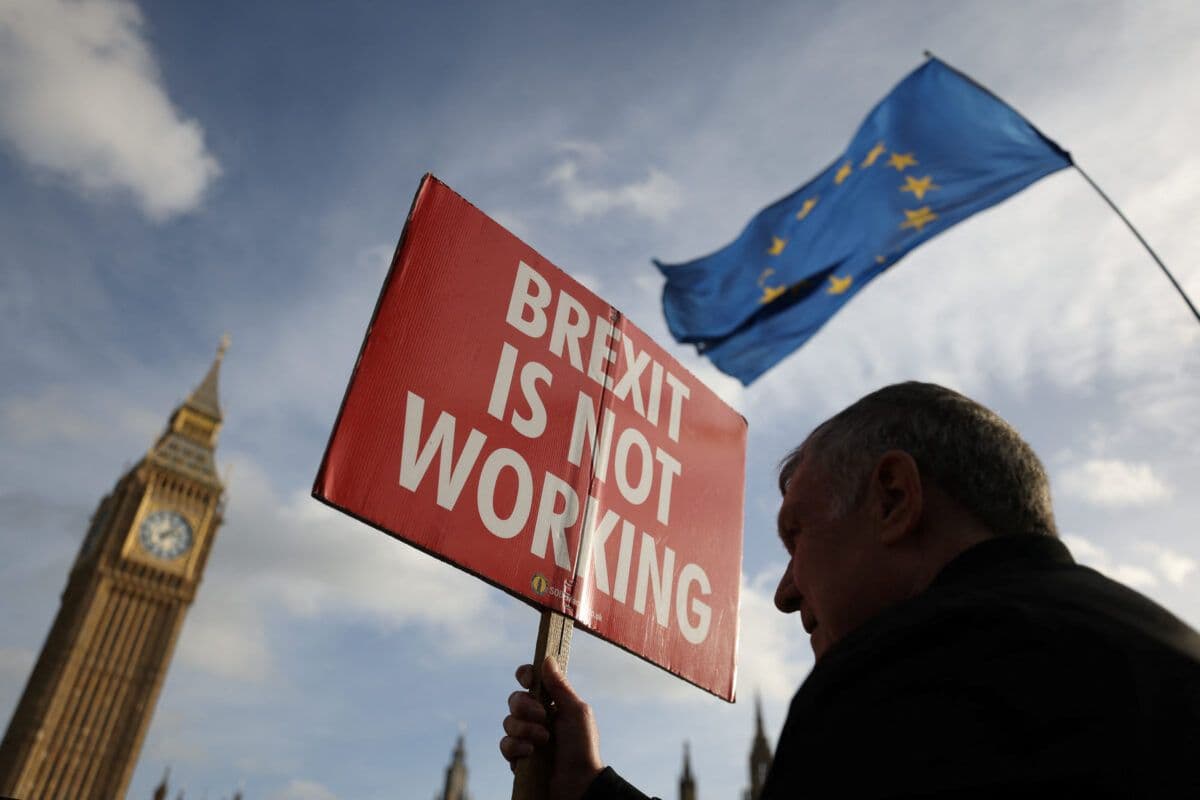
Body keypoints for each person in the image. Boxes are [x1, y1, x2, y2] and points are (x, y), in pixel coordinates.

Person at [500, 382, 1200, 798]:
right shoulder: (1158, 649)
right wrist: (591, 791)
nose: (783, 593)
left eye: (796, 535)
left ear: (894, 498)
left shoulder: (910, 676)